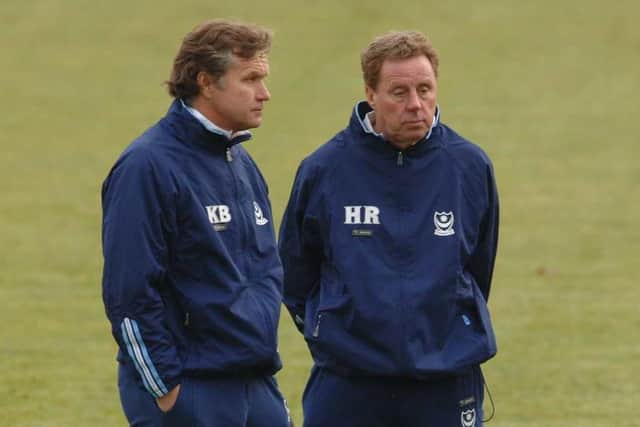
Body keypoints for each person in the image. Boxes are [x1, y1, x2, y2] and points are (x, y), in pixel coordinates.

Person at [279, 30, 499, 427]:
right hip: (348, 383)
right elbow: (295, 274)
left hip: (445, 381)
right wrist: (330, 328)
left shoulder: (469, 166)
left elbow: (479, 266)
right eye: (399, 92)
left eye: (425, 89)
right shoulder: (324, 169)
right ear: (370, 93)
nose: (416, 104)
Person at [102, 20, 291, 427]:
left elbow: (264, 270)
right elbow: (130, 292)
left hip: (254, 383)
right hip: (190, 387)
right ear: (206, 82)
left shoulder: (242, 163)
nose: (265, 93)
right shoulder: (147, 167)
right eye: (251, 79)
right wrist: (167, 391)